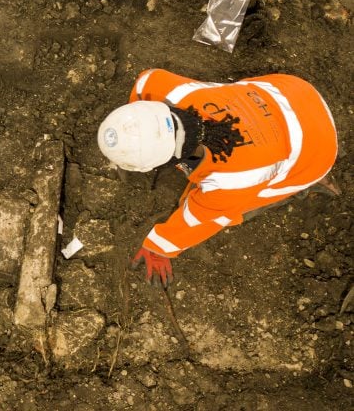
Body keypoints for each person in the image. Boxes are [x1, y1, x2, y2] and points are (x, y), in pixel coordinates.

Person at [97, 68, 338, 286]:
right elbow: (141, 94)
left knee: (254, 196)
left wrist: (159, 247)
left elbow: (199, 219)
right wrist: (138, 136)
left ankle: (307, 182)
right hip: (289, 90)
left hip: (316, 148)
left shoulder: (236, 178)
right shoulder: (157, 88)